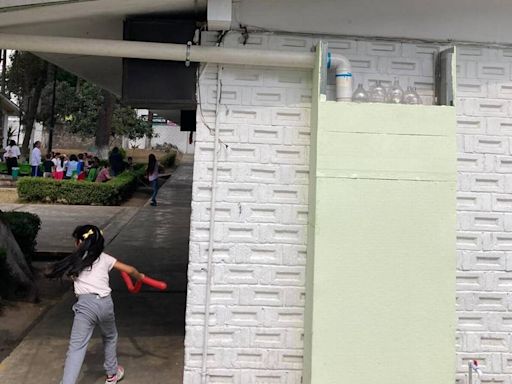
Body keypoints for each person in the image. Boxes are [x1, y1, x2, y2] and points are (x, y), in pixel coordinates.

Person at [46, 225, 144, 384]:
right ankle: (112, 374)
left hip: (85, 307)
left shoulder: (75, 260)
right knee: (110, 336)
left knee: (76, 348)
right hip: (105, 304)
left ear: (79, 243)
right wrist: (140, 277)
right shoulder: (105, 258)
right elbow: (130, 270)